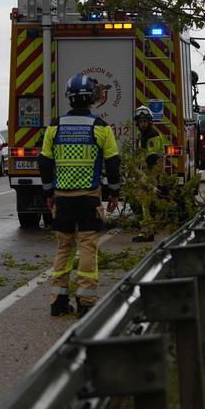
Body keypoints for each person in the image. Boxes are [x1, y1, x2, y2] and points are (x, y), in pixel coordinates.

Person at [39, 73, 122, 317]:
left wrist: (48, 192)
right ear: (93, 99)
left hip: (62, 197)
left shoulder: (55, 126)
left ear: (70, 98)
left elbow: (44, 161)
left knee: (64, 247)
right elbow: (113, 162)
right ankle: (86, 302)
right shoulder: (101, 128)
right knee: (87, 246)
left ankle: (58, 300)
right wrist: (114, 192)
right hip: (88, 197)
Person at [130, 106, 166, 243]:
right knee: (135, 199)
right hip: (145, 173)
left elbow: (151, 158)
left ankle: (147, 232)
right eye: (140, 121)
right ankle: (148, 227)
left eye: (145, 121)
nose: (142, 124)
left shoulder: (152, 136)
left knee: (143, 200)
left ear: (150, 122)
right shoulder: (142, 136)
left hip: (152, 173)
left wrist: (140, 173)